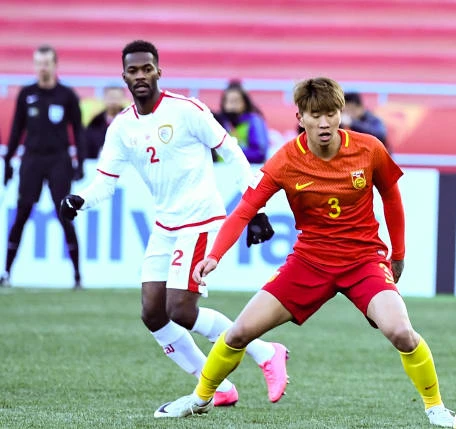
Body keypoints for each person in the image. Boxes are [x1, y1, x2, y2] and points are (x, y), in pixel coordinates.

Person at [153, 77, 454, 427]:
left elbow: (391, 198)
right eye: (315, 115)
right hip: (309, 263)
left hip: (363, 261)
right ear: (300, 117)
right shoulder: (286, 160)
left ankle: (436, 408)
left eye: (330, 114)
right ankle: (201, 398)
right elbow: (245, 210)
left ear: (341, 113)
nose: (324, 123)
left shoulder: (369, 149)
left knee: (402, 332)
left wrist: (398, 254)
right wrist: (214, 255)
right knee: (238, 333)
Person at [57, 40, 289, 407]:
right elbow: (105, 182)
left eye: (146, 68)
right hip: (165, 226)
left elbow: (231, 151)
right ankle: (218, 387)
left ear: (158, 71)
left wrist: (255, 208)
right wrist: (80, 199)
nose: (140, 76)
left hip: (201, 218)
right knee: (153, 313)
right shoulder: (121, 127)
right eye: (133, 71)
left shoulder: (186, 110)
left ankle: (264, 352)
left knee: (180, 309)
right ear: (124, 77)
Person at [0, 44, 85, 289]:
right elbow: (16, 130)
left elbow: (78, 131)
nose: (42, 68)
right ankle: (6, 272)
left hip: (59, 160)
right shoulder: (26, 93)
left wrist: (79, 162)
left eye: (46, 63)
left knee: (65, 214)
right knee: (22, 213)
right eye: (38, 63)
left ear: (55, 65)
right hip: (32, 160)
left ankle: (77, 276)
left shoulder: (67, 95)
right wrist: (8, 161)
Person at [213, 81, 269, 164]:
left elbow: (259, 154)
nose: (232, 105)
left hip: (250, 169)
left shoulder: (254, 121)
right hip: (222, 169)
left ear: (245, 102)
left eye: (236, 100)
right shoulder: (220, 121)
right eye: (229, 101)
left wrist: (228, 152)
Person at [83, 85, 128, 159]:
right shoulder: (94, 124)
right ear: (104, 98)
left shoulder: (132, 122)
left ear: (123, 99)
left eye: (117, 97)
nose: (114, 101)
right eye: (111, 97)